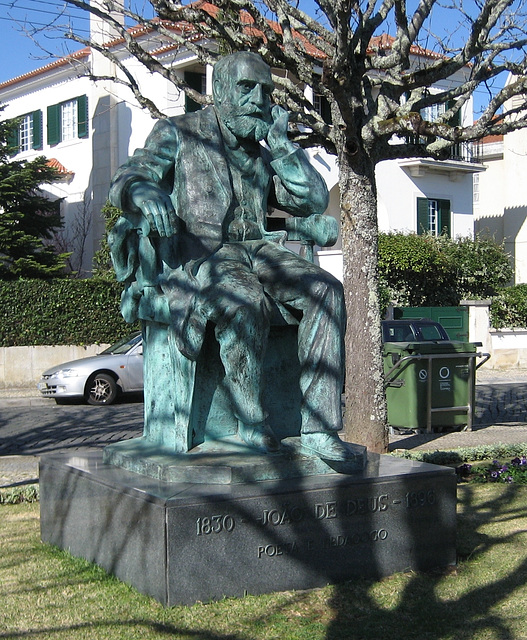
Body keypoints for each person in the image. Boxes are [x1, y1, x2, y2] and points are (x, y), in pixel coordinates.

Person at [109, 51, 353, 461]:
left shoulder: (262, 152)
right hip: (205, 255)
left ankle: (319, 429)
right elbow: (130, 175)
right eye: (246, 88)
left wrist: (282, 147)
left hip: (259, 249)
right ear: (219, 92)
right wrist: (145, 192)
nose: (259, 99)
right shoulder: (179, 132)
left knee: (327, 291)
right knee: (243, 301)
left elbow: (312, 199)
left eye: (266, 91)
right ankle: (251, 422)